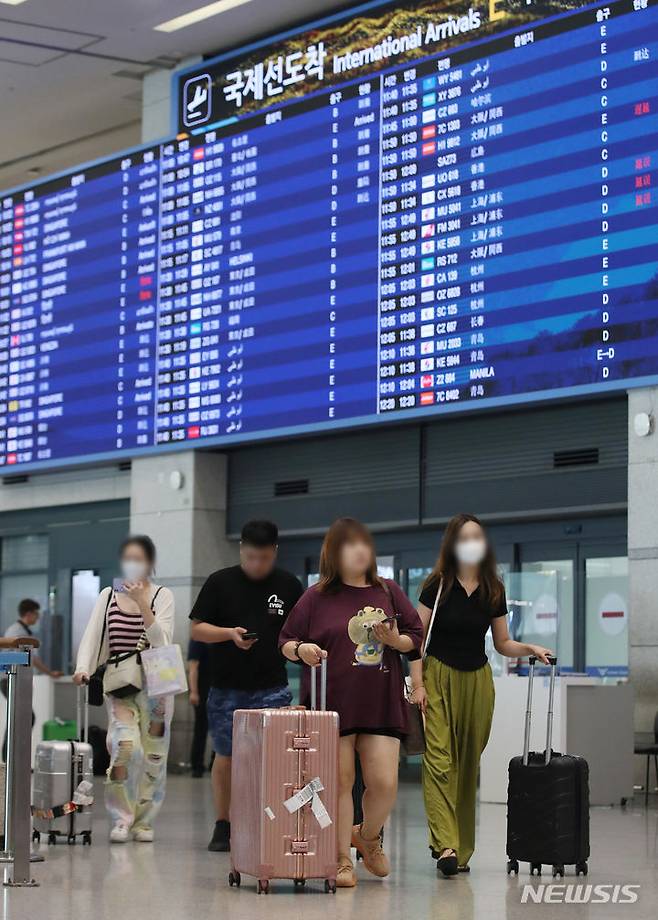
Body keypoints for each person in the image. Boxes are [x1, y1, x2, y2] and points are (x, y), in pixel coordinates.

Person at [280, 517, 423, 889]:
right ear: (334, 553)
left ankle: (368, 836)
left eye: (364, 544)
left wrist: (394, 641)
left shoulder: (387, 590)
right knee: (339, 784)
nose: (360, 550)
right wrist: (301, 649)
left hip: (379, 702)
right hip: (331, 705)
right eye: (350, 545)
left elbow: (415, 638)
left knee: (384, 783)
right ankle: (342, 859)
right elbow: (286, 640)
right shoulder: (315, 596)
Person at [409, 513, 553, 877]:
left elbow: (502, 643)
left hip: (477, 681)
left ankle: (461, 847)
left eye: (477, 537)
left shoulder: (493, 588)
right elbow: (414, 639)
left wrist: (529, 648)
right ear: (453, 545)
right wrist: (419, 684)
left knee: (466, 765)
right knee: (439, 762)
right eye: (464, 538)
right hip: (438, 676)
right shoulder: (436, 585)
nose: (471, 543)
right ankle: (446, 846)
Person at [190, 519, 304, 852]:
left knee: (275, 759)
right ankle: (223, 823)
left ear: (275, 553)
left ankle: (268, 820)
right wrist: (228, 634)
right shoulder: (219, 582)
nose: (257, 564)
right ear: (241, 550)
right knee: (225, 755)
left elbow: (298, 632)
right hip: (226, 688)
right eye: (251, 557)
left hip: (272, 686)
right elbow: (197, 629)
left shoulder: (288, 585)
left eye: (265, 558)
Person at [73, 535, 175, 844]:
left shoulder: (162, 596)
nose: (133, 564)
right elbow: (93, 635)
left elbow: (162, 642)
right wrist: (84, 668)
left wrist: (143, 604)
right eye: (128, 558)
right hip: (120, 685)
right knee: (125, 748)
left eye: (139, 559)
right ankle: (121, 818)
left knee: (155, 757)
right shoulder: (108, 595)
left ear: (151, 563)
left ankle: (144, 823)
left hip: (158, 685)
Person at [1, 598, 63, 761]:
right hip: (9, 679)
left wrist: (49, 673)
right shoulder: (16, 632)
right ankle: (8, 758)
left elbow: (31, 658)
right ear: (28, 614)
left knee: (22, 717)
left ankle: (12, 757)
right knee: (20, 717)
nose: (37, 617)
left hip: (17, 678)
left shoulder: (23, 631)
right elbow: (30, 658)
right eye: (36, 614)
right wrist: (49, 672)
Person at [187, 636, 210, 777]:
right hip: (202, 689)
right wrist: (194, 691)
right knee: (201, 728)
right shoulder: (198, 639)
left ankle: (214, 762)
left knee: (221, 728)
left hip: (218, 688)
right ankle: (197, 765)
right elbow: (193, 667)